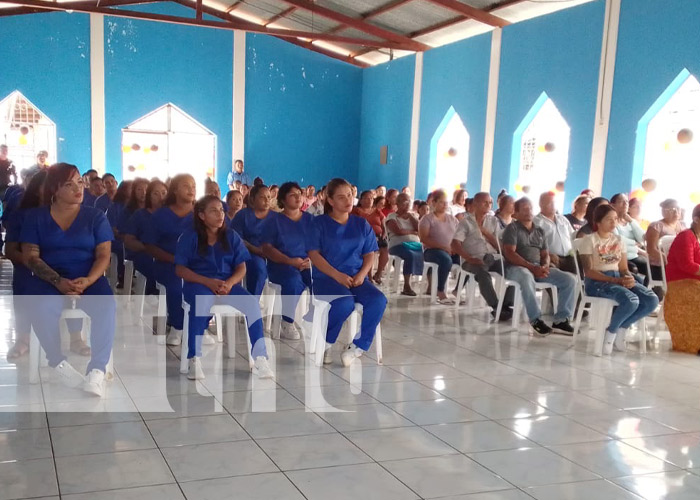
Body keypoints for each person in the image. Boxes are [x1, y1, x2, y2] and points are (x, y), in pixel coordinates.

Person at [20, 163, 116, 397]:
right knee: (41, 307)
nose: (78, 188)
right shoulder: (35, 217)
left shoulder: (95, 217)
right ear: (54, 189)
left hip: (88, 277)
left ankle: (97, 369)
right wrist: (58, 281)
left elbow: (104, 255)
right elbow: (30, 257)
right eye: (68, 184)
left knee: (106, 305)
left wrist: (89, 279)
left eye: (79, 182)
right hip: (48, 279)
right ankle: (57, 362)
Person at [175, 195, 274, 380]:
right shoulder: (190, 237)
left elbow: (241, 267)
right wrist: (207, 282)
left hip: (226, 285)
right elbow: (180, 269)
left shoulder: (231, 236)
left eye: (221, 210)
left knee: (252, 305)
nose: (220, 214)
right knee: (201, 303)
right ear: (202, 215)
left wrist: (229, 283)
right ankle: (194, 358)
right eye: (214, 211)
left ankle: (260, 357)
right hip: (198, 284)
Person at [307, 178, 387, 366]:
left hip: (355, 277)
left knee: (378, 300)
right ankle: (326, 342)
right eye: (341, 197)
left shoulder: (361, 224)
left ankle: (358, 346)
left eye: (350, 195)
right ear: (331, 201)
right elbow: (313, 255)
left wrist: (362, 274)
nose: (348, 200)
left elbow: (369, 254)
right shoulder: (319, 224)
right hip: (326, 278)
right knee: (344, 303)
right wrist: (336, 275)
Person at [579, 204, 659, 354]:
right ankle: (610, 334)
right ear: (598, 222)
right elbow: (589, 272)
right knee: (631, 300)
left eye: (615, 219)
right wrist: (616, 281)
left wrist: (628, 278)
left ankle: (620, 327)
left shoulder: (618, 240)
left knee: (651, 299)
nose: (613, 223)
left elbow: (623, 269)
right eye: (609, 219)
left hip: (617, 278)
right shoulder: (589, 240)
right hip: (598, 282)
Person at [502, 198, 576, 336]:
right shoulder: (512, 228)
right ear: (515, 213)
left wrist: (545, 266)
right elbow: (510, 253)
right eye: (524, 209)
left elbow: (545, 254)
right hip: (516, 267)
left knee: (569, 280)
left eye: (530, 208)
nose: (528, 211)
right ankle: (535, 319)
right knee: (526, 276)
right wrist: (531, 267)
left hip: (536, 267)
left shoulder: (539, 230)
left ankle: (561, 320)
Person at [144, 174, 196, 346]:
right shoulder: (160, 216)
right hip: (167, 264)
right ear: (174, 190)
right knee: (176, 284)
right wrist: (175, 259)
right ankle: (177, 326)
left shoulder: (200, 214)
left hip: (196, 264)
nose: (191, 189)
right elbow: (150, 246)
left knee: (206, 284)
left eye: (193, 186)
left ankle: (198, 327)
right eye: (186, 186)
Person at [261, 182, 314, 339]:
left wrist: (311, 259)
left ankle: (313, 318)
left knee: (319, 279)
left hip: (307, 264)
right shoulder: (274, 221)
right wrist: (290, 261)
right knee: (293, 280)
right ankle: (287, 321)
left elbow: (320, 245)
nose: (298, 197)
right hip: (281, 265)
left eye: (299, 193)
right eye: (292, 195)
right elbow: (267, 248)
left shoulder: (310, 220)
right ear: (283, 200)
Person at [5, 170, 47, 360]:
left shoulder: (70, 214)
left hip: (63, 266)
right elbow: (11, 250)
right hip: (29, 265)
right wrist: (32, 262)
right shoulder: (21, 214)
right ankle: (23, 338)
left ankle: (76, 337)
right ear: (37, 190)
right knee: (23, 280)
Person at [452, 192, 513, 321]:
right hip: (472, 259)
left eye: (490, 202)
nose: (489, 205)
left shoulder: (493, 221)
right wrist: (468, 258)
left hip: (493, 258)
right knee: (482, 273)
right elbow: (455, 243)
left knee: (516, 272)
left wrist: (485, 232)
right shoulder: (466, 222)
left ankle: (506, 304)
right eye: (485, 202)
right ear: (475, 204)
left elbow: (499, 246)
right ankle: (496, 306)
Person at [664, 204, 700, 354]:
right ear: (696, 219)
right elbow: (687, 265)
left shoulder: (696, 237)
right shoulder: (686, 236)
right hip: (681, 284)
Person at [123, 179, 168, 296]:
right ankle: (154, 293)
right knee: (151, 264)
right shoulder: (140, 215)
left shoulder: (171, 215)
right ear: (149, 196)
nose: (161, 197)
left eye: (164, 193)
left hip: (167, 255)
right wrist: (148, 247)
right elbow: (128, 241)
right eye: (156, 194)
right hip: (144, 254)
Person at [231, 184, 276, 296]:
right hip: (249, 253)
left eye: (269, 197)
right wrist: (256, 250)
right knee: (259, 269)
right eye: (262, 197)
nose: (266, 200)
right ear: (252, 199)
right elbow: (237, 239)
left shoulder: (276, 217)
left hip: (274, 254)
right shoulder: (242, 216)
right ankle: (252, 305)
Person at [418, 189, 459, 304]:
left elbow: (459, 236)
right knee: (445, 260)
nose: (445, 205)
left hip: (450, 250)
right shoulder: (427, 219)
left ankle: (457, 290)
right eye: (441, 202)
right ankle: (440, 290)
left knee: (467, 261)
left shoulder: (453, 219)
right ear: (434, 203)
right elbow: (424, 239)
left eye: (446, 202)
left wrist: (456, 248)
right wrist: (444, 247)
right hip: (432, 251)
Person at [646, 198, 686, 300]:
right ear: (664, 211)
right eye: (672, 209)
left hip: (678, 265)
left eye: (678, 208)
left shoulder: (682, 226)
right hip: (660, 267)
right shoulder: (657, 226)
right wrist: (669, 260)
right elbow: (651, 250)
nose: (676, 212)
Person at [386, 193, 423, 296]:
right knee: (410, 254)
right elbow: (398, 231)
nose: (407, 205)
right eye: (404, 202)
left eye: (409, 202)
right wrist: (413, 232)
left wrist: (411, 216)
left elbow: (420, 229)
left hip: (415, 244)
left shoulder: (413, 215)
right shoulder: (392, 216)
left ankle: (429, 286)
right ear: (397, 203)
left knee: (426, 253)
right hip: (398, 245)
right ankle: (407, 285)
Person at [534, 192, 576, 274]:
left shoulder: (562, 219)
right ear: (541, 204)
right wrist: (548, 254)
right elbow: (534, 245)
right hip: (551, 258)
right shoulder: (537, 222)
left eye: (554, 203)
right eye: (550, 203)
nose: (553, 206)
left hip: (569, 257)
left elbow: (573, 236)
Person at [353, 192, 388, 284]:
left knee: (385, 250)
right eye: (367, 198)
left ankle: (378, 274)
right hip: (363, 237)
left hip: (378, 236)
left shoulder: (376, 211)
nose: (370, 201)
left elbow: (383, 223)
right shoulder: (356, 211)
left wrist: (384, 233)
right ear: (361, 200)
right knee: (369, 251)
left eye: (372, 199)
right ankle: (368, 275)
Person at [611, 193, 647, 276]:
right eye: (621, 202)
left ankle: (648, 288)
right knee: (634, 269)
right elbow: (617, 240)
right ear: (613, 205)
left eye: (627, 202)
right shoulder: (611, 221)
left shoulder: (631, 222)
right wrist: (634, 243)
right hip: (620, 257)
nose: (625, 204)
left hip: (634, 255)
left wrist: (631, 221)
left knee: (651, 266)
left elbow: (642, 238)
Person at [106, 181, 133, 287]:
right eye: (130, 188)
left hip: (131, 239)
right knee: (123, 247)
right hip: (117, 240)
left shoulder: (134, 208)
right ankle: (122, 277)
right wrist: (125, 237)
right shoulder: (114, 207)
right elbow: (112, 229)